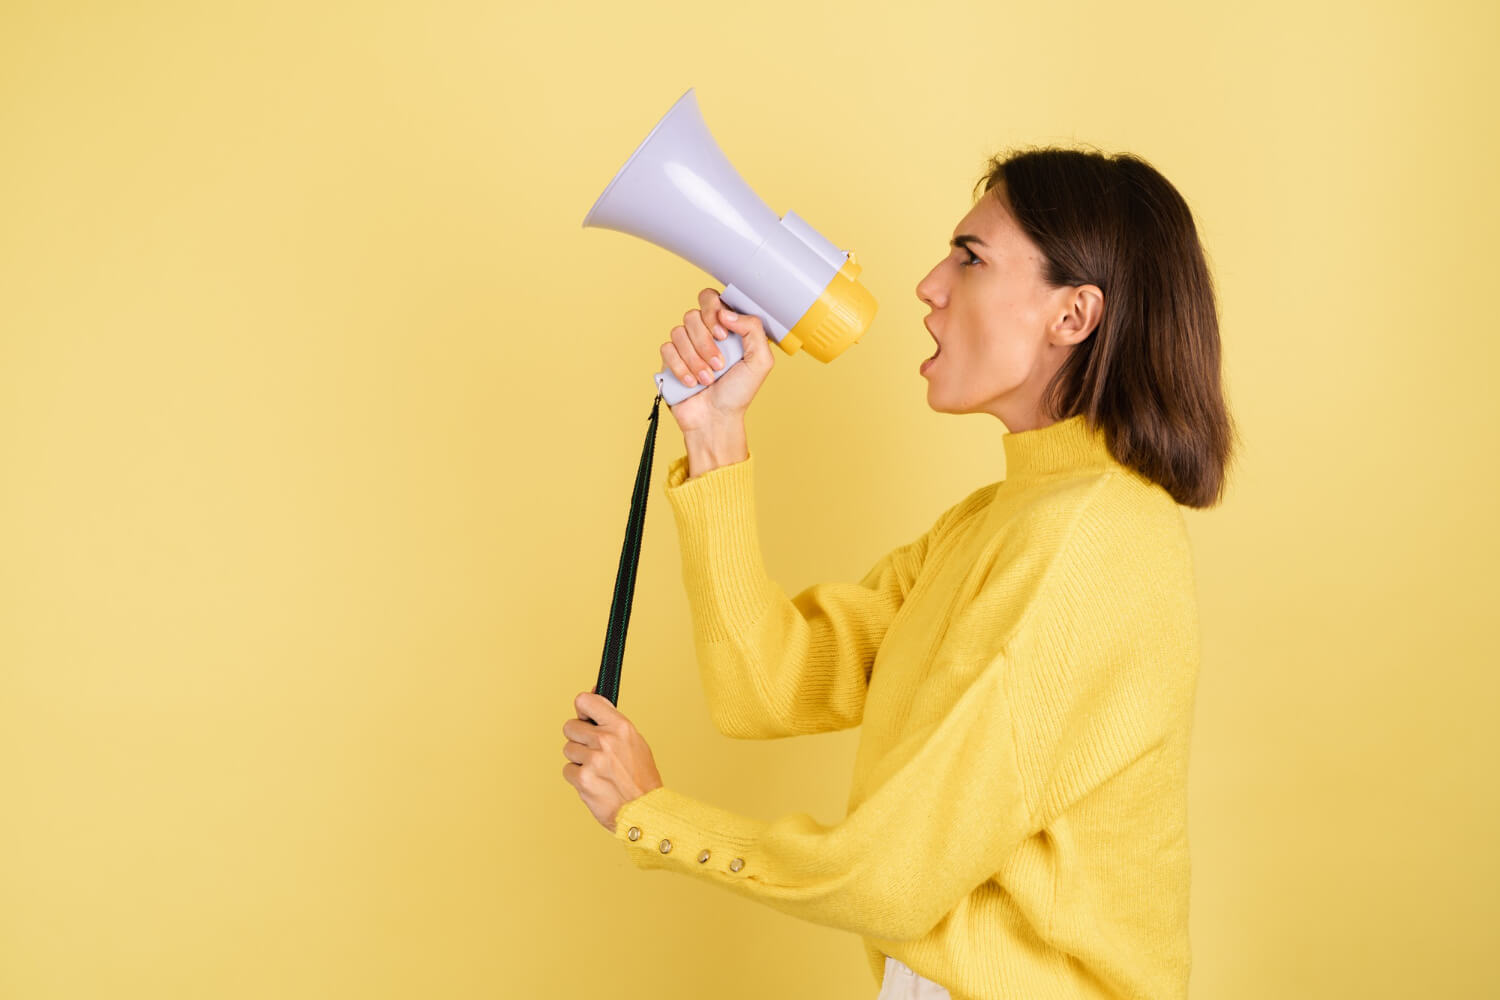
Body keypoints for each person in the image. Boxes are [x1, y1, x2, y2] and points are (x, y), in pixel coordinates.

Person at [561, 146, 1237, 1000]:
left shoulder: (1087, 543)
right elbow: (767, 686)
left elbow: (889, 875)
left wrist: (652, 816)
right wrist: (714, 433)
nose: (929, 284)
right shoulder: (998, 523)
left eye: (971, 257)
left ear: (1074, 315)